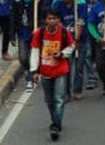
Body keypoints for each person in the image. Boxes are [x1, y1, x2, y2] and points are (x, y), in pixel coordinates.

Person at [30, 9, 75, 142]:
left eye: (54, 18)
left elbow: (71, 47)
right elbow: (35, 51)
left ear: (59, 20)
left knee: (59, 100)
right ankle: (55, 120)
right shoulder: (40, 33)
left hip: (60, 70)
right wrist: (34, 71)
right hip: (45, 72)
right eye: (49, 18)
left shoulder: (64, 33)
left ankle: (56, 127)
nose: (52, 21)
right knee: (49, 101)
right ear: (45, 20)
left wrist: (62, 54)